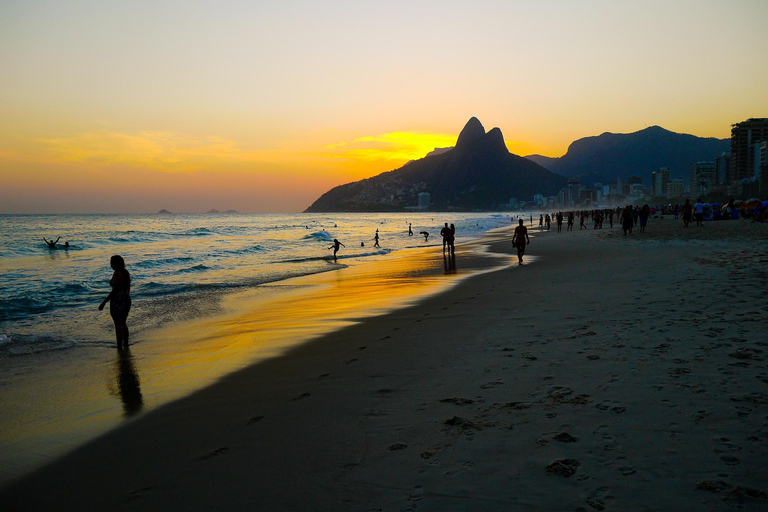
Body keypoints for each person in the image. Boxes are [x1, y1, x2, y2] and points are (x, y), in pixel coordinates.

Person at [99, 255, 131, 349]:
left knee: (118, 324)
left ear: (116, 264)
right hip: (126, 299)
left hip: (118, 301)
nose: (110, 265)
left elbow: (114, 291)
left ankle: (119, 346)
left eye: (111, 263)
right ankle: (125, 344)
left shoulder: (117, 274)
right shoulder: (125, 272)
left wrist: (104, 302)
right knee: (123, 323)